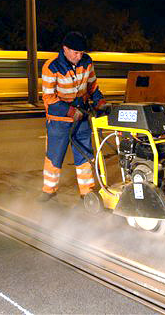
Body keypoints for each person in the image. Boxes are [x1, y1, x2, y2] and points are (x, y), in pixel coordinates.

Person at [37, 31, 108, 202]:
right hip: (59, 121)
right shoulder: (51, 67)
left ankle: (87, 192)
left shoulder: (87, 61)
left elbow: (92, 86)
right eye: (75, 53)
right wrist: (69, 111)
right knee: (54, 156)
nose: (79, 56)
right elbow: (49, 97)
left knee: (84, 155)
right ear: (65, 49)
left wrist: (99, 102)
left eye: (81, 52)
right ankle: (49, 190)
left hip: (81, 117)